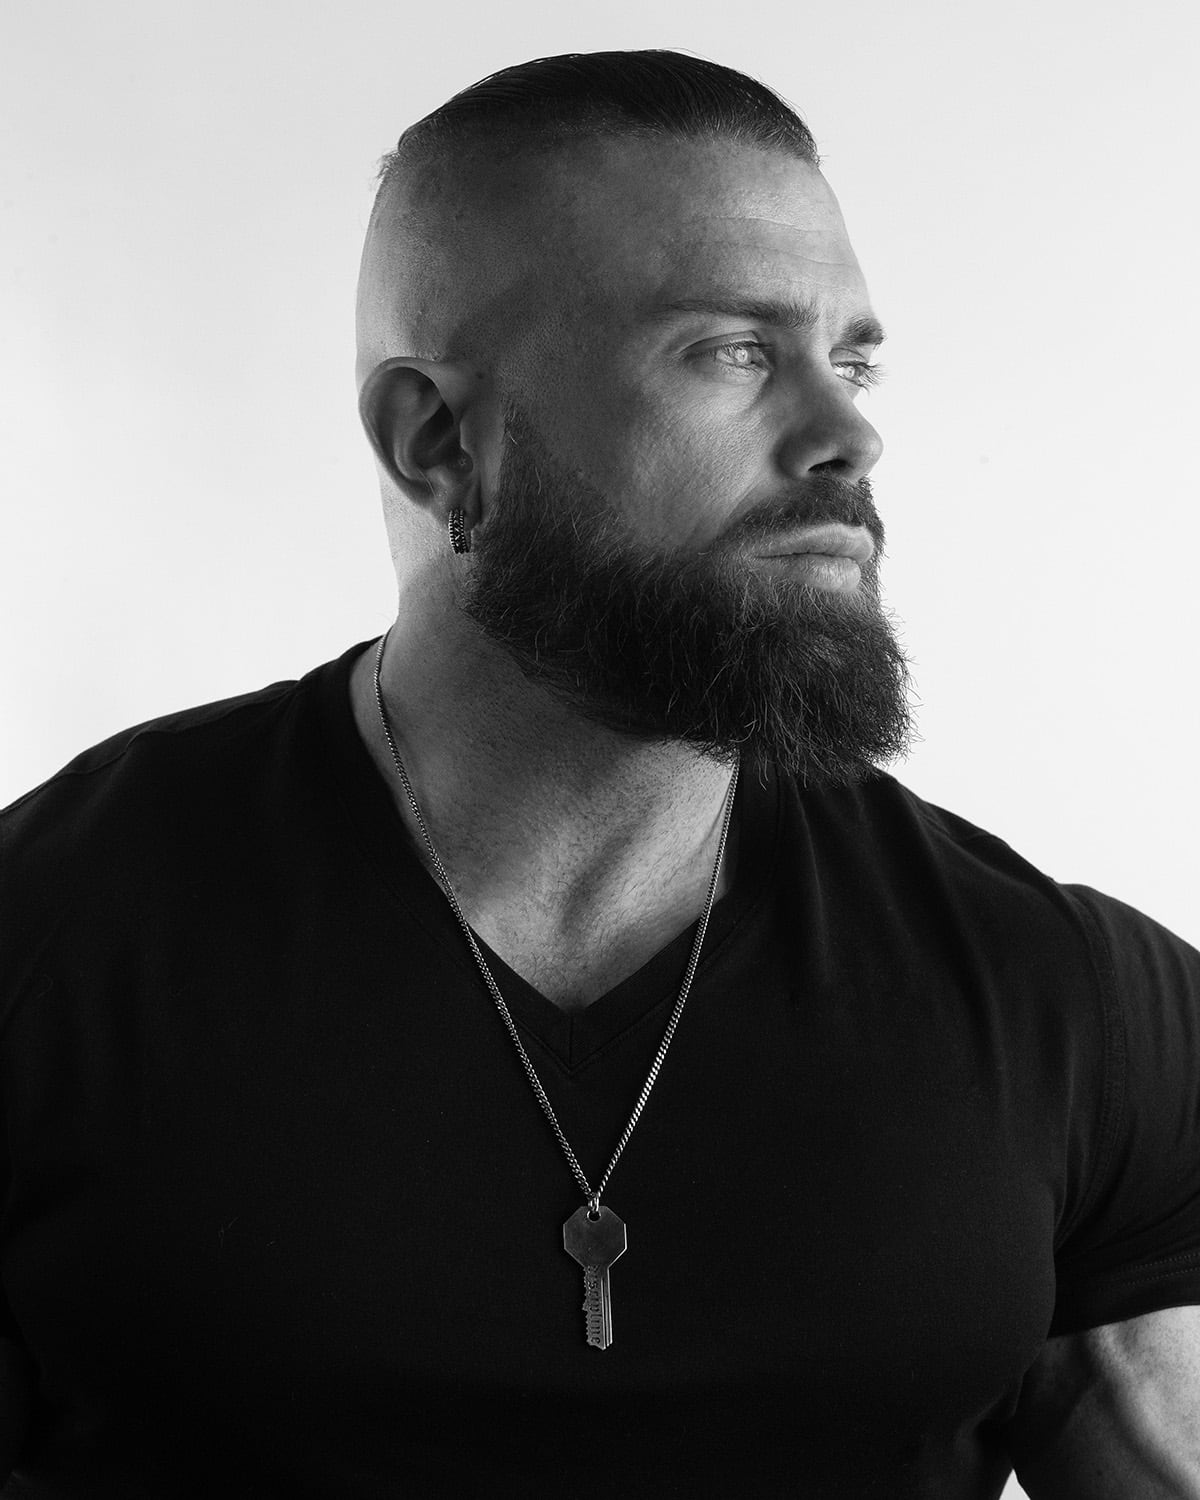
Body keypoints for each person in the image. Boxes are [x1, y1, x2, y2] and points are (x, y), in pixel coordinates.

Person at [1, 48, 1198, 1500]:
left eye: (853, 359)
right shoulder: (51, 950)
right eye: (732, 351)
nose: (848, 435)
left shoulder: (1069, 1005)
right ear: (439, 441)